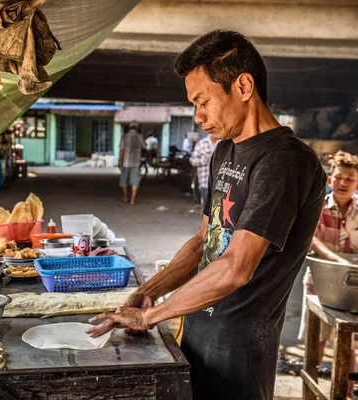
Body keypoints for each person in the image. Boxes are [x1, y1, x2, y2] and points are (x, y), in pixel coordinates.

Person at [87, 30, 327, 400]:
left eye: (203, 101)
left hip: (238, 356)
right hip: (197, 331)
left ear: (243, 86)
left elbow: (236, 267)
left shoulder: (286, 161)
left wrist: (150, 316)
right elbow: (204, 240)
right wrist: (147, 294)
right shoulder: (224, 151)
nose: (198, 116)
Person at [298, 150, 358, 392]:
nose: (343, 183)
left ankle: (346, 391)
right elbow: (311, 239)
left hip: (353, 288)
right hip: (319, 285)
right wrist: (338, 261)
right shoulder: (319, 204)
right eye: (339, 177)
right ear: (330, 180)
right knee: (317, 340)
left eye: (350, 178)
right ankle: (311, 390)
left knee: (349, 344)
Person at [119, 121, 144, 205]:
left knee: (124, 180)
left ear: (130, 127)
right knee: (135, 181)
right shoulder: (140, 137)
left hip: (126, 162)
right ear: (137, 128)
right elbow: (144, 147)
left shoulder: (125, 137)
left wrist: (119, 161)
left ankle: (126, 198)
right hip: (136, 162)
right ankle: (132, 200)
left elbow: (122, 150)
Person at [189, 134, 218, 205]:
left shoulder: (224, 143)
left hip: (220, 184)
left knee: (218, 210)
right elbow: (192, 160)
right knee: (206, 208)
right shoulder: (201, 143)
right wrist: (206, 160)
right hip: (205, 183)